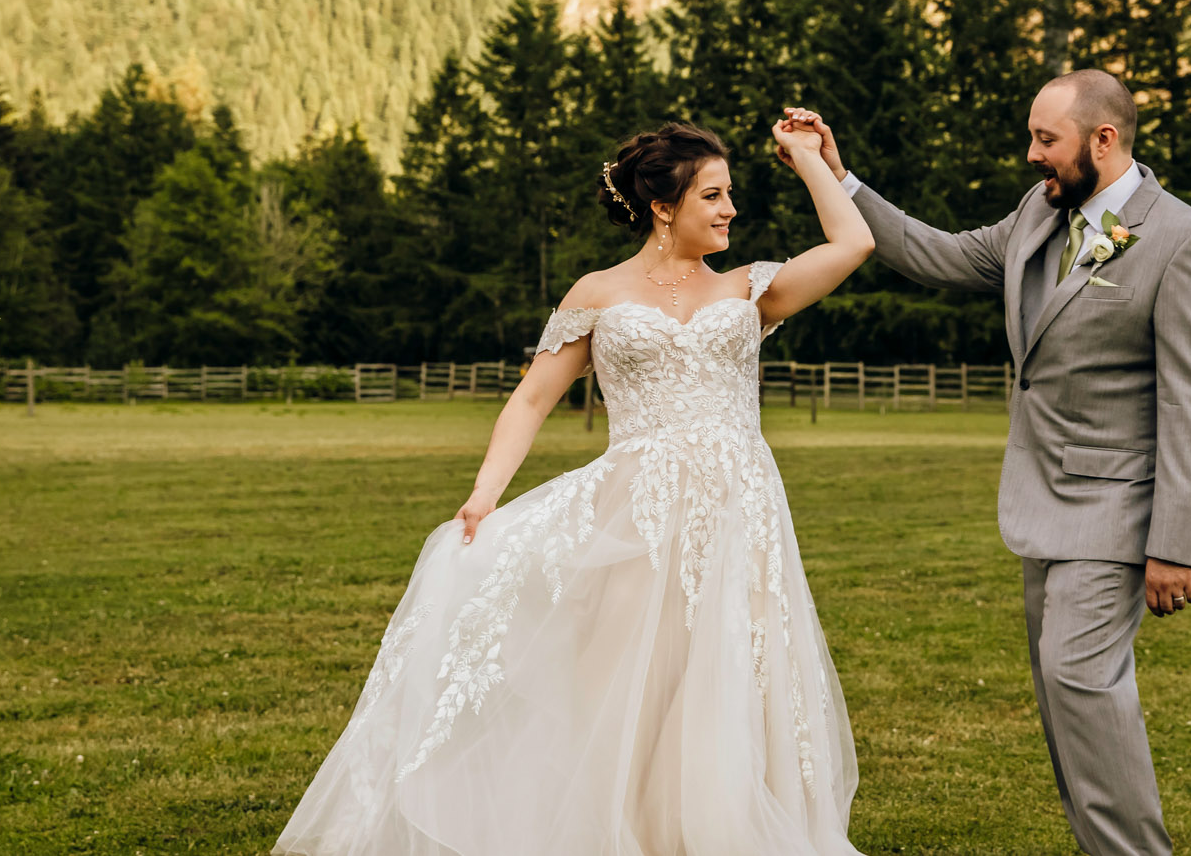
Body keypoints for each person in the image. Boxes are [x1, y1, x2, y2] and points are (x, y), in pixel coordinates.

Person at [274, 118, 875, 856]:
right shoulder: (598, 293)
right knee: (629, 690)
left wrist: (813, 160)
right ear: (664, 204)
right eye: (713, 195)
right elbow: (531, 398)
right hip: (634, 517)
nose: (729, 210)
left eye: (730, 196)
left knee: (729, 687)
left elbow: (855, 244)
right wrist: (484, 494)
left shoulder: (749, 288)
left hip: (738, 513)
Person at [780, 71, 1191, 856]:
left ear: (1104, 139)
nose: (1032, 155)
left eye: (1046, 140)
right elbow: (939, 254)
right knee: (1066, 708)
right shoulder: (1038, 212)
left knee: (1079, 679)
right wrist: (838, 173)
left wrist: (1175, 545)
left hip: (1117, 511)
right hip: (1037, 506)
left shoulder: (1184, 241)